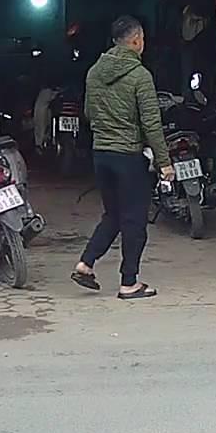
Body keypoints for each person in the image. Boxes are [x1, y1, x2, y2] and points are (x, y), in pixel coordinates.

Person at [71, 16, 172, 300]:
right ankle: (129, 283)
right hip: (128, 156)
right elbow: (151, 123)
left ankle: (85, 264)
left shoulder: (94, 72)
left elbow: (88, 113)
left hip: (101, 154)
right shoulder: (140, 76)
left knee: (113, 214)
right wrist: (164, 162)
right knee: (134, 221)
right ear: (136, 40)